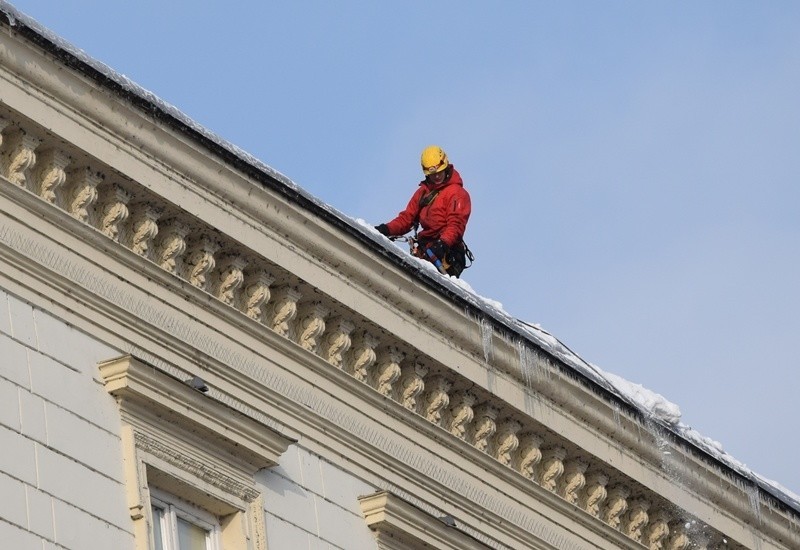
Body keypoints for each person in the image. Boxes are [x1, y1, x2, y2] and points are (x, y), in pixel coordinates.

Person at [375, 145, 472, 277]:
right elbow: (407, 218)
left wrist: (443, 244)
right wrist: (386, 229)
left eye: (439, 172)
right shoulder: (423, 193)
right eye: (433, 175)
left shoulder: (456, 193)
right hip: (426, 249)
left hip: (447, 252)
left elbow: (455, 225)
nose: (437, 177)